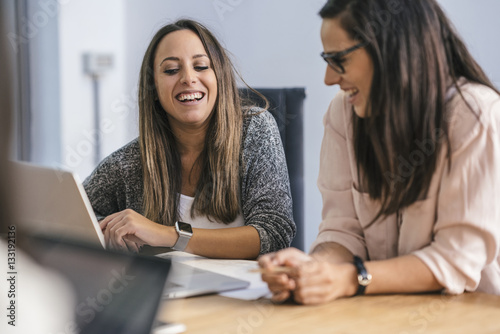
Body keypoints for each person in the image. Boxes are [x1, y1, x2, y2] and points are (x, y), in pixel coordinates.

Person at [259, 0, 500, 305]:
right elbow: (342, 232)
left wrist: (351, 279)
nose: (329, 78)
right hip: (380, 313)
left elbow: (456, 259)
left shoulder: (475, 114)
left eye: (338, 59)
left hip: (469, 315)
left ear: (391, 47)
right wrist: (314, 269)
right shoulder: (342, 114)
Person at [83, 19, 295, 259]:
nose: (188, 78)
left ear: (220, 77)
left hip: (244, 294)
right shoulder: (130, 162)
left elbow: (274, 234)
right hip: (169, 294)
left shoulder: (254, 130)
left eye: (201, 66)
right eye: (172, 70)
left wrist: (167, 234)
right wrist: (109, 233)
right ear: (153, 88)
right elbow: (73, 216)